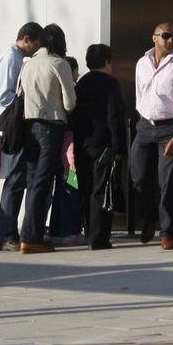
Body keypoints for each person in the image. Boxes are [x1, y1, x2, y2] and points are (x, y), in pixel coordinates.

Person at [12, 24, 76, 254]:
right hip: (51, 127)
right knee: (43, 182)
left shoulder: (27, 65)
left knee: (33, 182)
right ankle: (31, 238)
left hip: (29, 127)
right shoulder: (59, 64)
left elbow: (19, 94)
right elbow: (70, 102)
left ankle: (28, 233)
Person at [131, 20, 173, 249]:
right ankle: (150, 217)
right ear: (154, 38)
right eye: (166, 36)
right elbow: (140, 94)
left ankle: (168, 231)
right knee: (138, 176)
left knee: (167, 180)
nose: (171, 41)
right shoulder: (142, 64)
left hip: (169, 127)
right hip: (145, 125)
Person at [70, 43, 126, 250]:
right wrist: (118, 148)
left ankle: (88, 231)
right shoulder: (111, 84)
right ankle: (99, 237)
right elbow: (114, 117)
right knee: (102, 189)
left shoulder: (81, 84)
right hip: (104, 146)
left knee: (85, 188)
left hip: (82, 143)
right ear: (107, 61)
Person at [0, 22, 44, 250]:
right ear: (26, 38)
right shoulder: (12, 58)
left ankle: (10, 232)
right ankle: (6, 235)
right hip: (15, 123)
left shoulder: (18, 58)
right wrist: (23, 104)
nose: (37, 48)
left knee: (18, 179)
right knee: (14, 180)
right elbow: (4, 96)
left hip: (17, 122)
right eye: (36, 43)